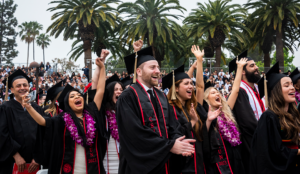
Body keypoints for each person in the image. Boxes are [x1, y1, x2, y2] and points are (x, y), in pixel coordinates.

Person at [23, 53, 108, 174]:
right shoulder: (62, 119)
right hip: (69, 169)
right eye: (72, 96)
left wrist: (102, 67)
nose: (77, 96)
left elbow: (100, 90)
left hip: (94, 168)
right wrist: (28, 106)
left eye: (79, 95)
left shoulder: (92, 112)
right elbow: (42, 121)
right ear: (67, 103)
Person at [117, 46, 196, 174]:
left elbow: (173, 125)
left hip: (164, 163)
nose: (158, 71)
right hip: (139, 166)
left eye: (158, 67)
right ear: (139, 71)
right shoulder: (127, 97)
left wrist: (178, 142)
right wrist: (169, 146)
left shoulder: (161, 96)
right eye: (152, 67)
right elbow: (134, 133)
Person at [163, 46, 219, 174]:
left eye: (191, 83)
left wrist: (209, 121)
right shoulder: (169, 108)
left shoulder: (193, 106)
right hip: (181, 162)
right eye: (186, 84)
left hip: (198, 159)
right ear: (176, 88)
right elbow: (174, 134)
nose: (191, 86)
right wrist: (192, 121)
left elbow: (200, 87)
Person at [250, 62, 300, 173]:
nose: (292, 88)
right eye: (287, 85)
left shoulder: (294, 115)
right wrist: (297, 152)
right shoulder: (269, 117)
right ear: (276, 91)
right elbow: (273, 152)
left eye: (292, 84)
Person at [228, 50, 265, 174]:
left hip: (260, 139)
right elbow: (247, 121)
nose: (257, 68)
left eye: (255, 65)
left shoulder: (257, 89)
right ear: (243, 71)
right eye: (252, 66)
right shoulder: (241, 91)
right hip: (250, 143)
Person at [0, 70, 43, 173]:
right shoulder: (5, 108)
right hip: (11, 162)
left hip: (35, 162)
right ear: (12, 90)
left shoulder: (37, 109)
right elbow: (2, 134)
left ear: (29, 87)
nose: (22, 88)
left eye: (25, 85)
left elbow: (44, 133)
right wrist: (16, 155)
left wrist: (38, 156)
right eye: (18, 86)